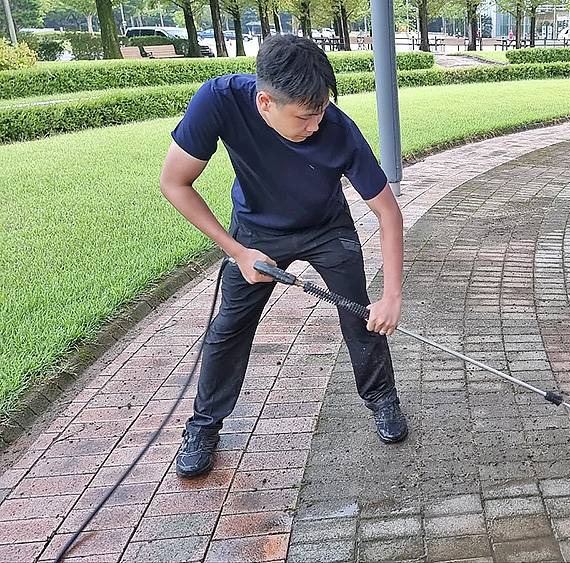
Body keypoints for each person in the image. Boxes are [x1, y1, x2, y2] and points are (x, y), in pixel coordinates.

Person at [159, 34, 408, 479]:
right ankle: (203, 426)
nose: (316, 124)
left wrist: (390, 297)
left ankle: (382, 399)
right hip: (255, 232)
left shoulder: (337, 128)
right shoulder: (219, 100)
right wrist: (237, 252)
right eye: (304, 117)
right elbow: (175, 183)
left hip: (327, 228)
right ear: (265, 103)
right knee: (229, 327)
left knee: (359, 314)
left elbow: (387, 211)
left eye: (321, 112)